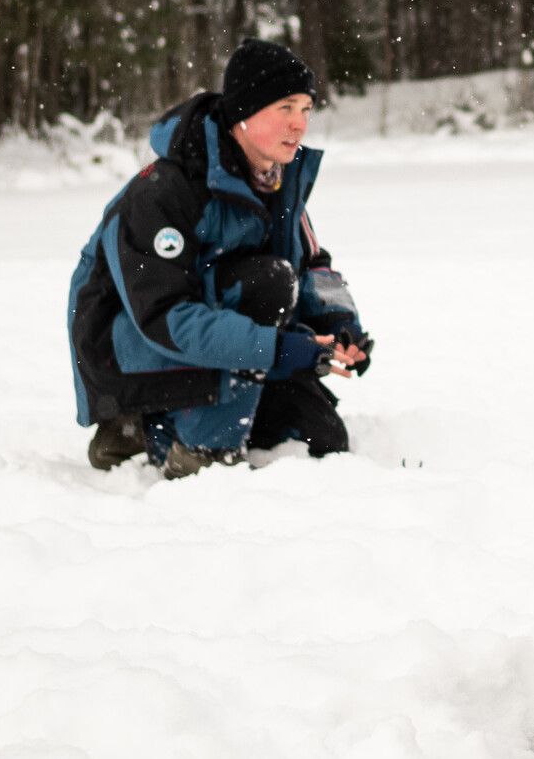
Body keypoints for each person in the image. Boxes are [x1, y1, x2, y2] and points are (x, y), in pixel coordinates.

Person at [66, 38, 373, 478]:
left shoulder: (276, 180)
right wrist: (275, 348)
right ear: (245, 113)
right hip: (133, 355)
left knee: (321, 439)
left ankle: (193, 418)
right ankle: (150, 431)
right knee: (266, 283)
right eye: (285, 108)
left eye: (306, 109)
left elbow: (313, 264)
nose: (300, 125)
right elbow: (164, 317)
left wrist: (341, 327)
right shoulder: (163, 193)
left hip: (221, 347)